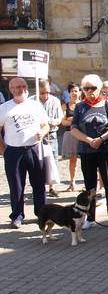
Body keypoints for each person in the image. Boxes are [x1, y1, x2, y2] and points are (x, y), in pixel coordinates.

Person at [69, 74, 108, 230]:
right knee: (90, 186)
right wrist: (88, 140)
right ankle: (90, 217)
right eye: (86, 88)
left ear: (99, 89)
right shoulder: (80, 106)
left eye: (93, 88)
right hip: (86, 150)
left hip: (105, 149)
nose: (90, 91)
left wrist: (101, 138)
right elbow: (73, 128)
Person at [0, 77, 50, 228]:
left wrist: (42, 132)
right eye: (17, 87)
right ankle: (17, 215)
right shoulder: (4, 108)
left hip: (34, 149)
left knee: (39, 184)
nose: (21, 89)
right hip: (13, 151)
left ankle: (42, 214)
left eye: (23, 86)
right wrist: (3, 150)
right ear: (11, 90)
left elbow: (46, 125)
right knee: (16, 185)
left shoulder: (35, 106)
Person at [29, 79, 63, 197]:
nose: (45, 95)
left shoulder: (55, 101)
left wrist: (54, 121)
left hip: (51, 134)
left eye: (47, 92)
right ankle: (39, 186)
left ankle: (52, 186)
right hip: (36, 135)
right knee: (38, 161)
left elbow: (60, 118)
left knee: (53, 159)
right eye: (42, 93)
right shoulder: (31, 101)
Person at [61, 83, 81, 191]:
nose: (74, 93)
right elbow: (63, 122)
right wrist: (74, 120)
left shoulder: (83, 104)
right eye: (72, 91)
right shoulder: (65, 106)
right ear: (69, 93)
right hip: (70, 134)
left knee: (86, 159)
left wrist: (70, 119)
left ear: (80, 92)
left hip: (82, 134)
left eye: (76, 91)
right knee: (73, 160)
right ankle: (72, 182)